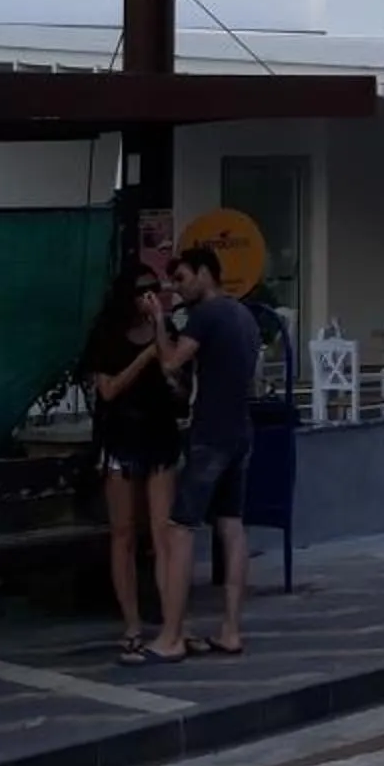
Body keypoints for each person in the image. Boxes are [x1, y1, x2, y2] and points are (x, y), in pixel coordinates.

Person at [129, 244, 263, 666]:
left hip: (211, 435)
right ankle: (231, 630)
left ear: (205, 273)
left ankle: (170, 637)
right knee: (232, 526)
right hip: (242, 430)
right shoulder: (244, 315)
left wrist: (158, 321)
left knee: (179, 528)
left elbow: (170, 363)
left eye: (182, 279)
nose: (178, 289)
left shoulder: (207, 315)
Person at [79, 263, 184, 656]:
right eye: (142, 290)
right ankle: (132, 622)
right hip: (121, 436)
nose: (149, 296)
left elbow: (176, 377)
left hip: (159, 434)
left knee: (162, 532)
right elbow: (107, 390)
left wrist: (160, 328)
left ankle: (171, 622)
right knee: (123, 534)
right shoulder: (107, 335)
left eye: (154, 289)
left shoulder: (165, 329)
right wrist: (145, 358)